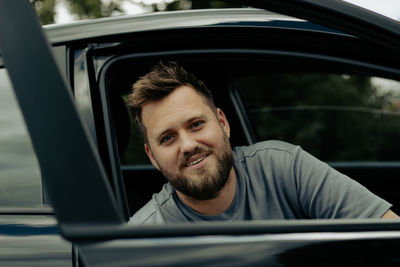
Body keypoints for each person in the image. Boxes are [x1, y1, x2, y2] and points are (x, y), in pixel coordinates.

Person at [127, 62, 398, 224]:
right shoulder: (143, 237)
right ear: (152, 156)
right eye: (167, 138)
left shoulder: (283, 167)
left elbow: (388, 233)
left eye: (196, 124)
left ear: (223, 123)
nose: (187, 145)